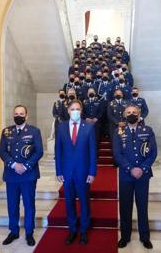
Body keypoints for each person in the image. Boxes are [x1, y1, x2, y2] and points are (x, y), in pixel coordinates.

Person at [113, 104, 157, 249]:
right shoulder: (119, 131)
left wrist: (142, 168)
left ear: (139, 115)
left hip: (143, 175)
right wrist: (130, 168)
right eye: (129, 112)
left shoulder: (148, 130)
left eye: (134, 112)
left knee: (142, 205)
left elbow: (153, 153)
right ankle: (125, 236)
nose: (132, 114)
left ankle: (145, 237)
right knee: (125, 206)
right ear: (125, 115)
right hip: (126, 175)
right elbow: (117, 154)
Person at [0, 105, 43, 246]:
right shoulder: (6, 132)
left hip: (28, 174)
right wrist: (13, 165)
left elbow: (38, 152)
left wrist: (25, 166)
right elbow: (2, 151)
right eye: (16, 113)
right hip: (11, 175)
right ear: (13, 115)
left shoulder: (34, 131)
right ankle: (13, 231)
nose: (19, 116)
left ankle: (29, 233)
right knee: (12, 204)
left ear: (26, 116)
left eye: (21, 113)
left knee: (29, 204)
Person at [55, 99, 97, 245]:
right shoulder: (60, 127)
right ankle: (72, 229)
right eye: (72, 109)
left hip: (83, 172)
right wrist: (58, 170)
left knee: (84, 202)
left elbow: (93, 151)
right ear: (68, 111)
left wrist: (92, 172)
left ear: (81, 110)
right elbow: (58, 150)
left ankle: (84, 230)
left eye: (78, 109)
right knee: (69, 203)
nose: (75, 111)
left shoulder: (89, 127)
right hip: (66, 173)